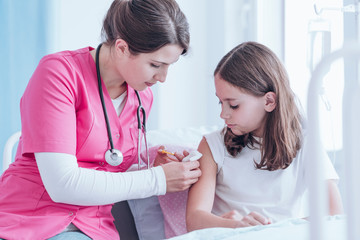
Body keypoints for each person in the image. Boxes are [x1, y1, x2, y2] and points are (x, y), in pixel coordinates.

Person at [0, 0, 201, 239]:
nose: (163, 77)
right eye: (156, 65)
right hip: (31, 222)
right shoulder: (58, 74)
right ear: (122, 48)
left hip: (95, 229)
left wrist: (152, 168)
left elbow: (108, 165)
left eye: (170, 66)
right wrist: (156, 179)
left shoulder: (142, 97)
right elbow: (63, 183)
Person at [186, 41, 343, 231]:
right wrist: (236, 225)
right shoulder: (212, 146)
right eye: (221, 103)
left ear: (269, 101)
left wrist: (271, 231)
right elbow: (194, 220)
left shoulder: (306, 142)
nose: (223, 114)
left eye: (233, 105)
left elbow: (333, 213)